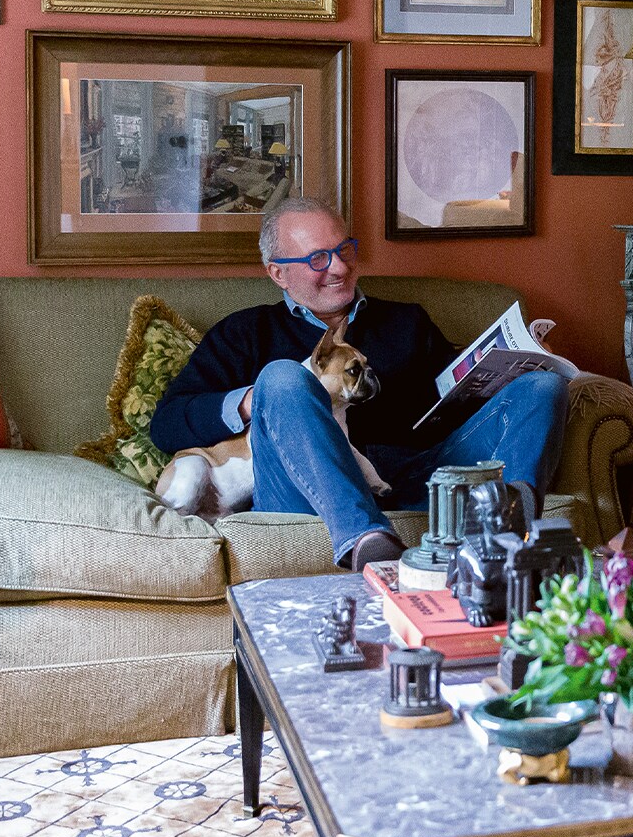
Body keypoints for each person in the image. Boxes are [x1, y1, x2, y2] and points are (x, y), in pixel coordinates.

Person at [150, 197, 569, 572]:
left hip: (414, 477)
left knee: (542, 387)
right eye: (318, 259)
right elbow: (167, 424)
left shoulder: (407, 321)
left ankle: (508, 534)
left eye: (344, 250)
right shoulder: (245, 333)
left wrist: (518, 363)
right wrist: (254, 401)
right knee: (282, 375)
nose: (339, 267)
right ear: (278, 272)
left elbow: (456, 399)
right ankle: (364, 538)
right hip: (302, 491)